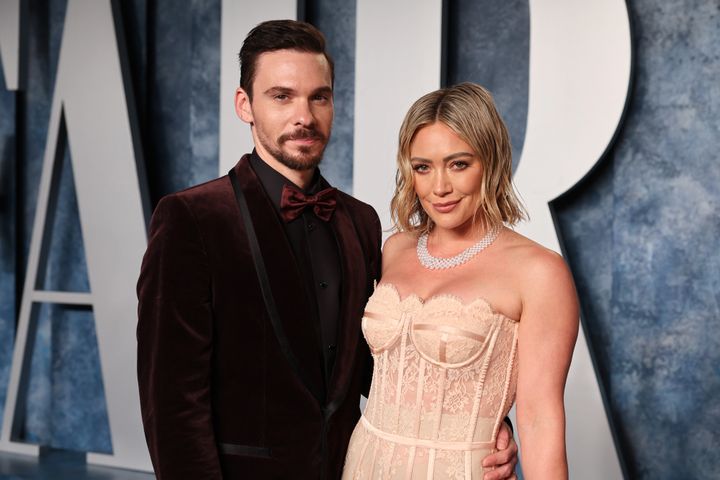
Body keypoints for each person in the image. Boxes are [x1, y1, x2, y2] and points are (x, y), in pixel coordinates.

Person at [137, 20, 518, 479]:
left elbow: (384, 364)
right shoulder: (191, 218)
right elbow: (172, 398)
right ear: (245, 105)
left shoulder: (360, 221)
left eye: (319, 96)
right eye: (282, 96)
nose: (305, 115)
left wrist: (484, 425)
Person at [342, 83, 579, 479]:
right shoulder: (395, 249)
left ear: (491, 162)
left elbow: (540, 419)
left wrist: (491, 425)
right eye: (423, 167)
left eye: (458, 164)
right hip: (365, 462)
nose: (439, 188)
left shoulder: (538, 271)